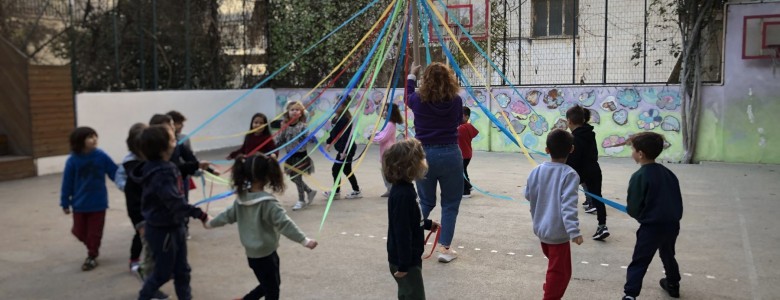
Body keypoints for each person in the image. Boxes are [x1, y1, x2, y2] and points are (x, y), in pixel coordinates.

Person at [205, 154, 318, 300]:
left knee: (270, 284)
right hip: (266, 255)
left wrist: (210, 223)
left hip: (254, 255)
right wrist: (304, 240)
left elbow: (226, 216)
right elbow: (284, 224)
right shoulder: (268, 203)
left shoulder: (241, 199)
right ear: (267, 175)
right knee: (272, 290)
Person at [131, 125, 210, 300]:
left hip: (174, 226)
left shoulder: (160, 167)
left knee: (182, 270)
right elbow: (174, 202)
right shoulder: (162, 172)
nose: (176, 140)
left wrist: (196, 165)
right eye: (172, 138)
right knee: (163, 272)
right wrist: (200, 214)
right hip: (164, 230)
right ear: (163, 147)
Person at [407, 62, 463, 263]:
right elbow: (459, 121)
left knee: (425, 202)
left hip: (424, 154)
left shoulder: (418, 100)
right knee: (450, 203)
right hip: (450, 153)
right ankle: (444, 249)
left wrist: (412, 76)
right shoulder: (456, 101)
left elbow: (408, 96)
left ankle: (414, 245)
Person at [622, 132, 683, 300]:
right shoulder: (669, 174)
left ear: (640, 154)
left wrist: (638, 214)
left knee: (640, 260)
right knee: (668, 254)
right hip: (672, 225)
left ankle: (630, 294)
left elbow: (633, 207)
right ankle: (673, 283)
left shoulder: (639, 176)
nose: (631, 153)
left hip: (651, 228)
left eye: (633, 149)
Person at [525, 129, 584, 300]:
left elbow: (528, 194)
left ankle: (550, 289)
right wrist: (574, 231)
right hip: (558, 233)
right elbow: (569, 205)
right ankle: (550, 295)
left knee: (555, 266)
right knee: (560, 273)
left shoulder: (536, 171)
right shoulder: (570, 174)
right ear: (571, 149)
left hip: (541, 229)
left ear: (546, 150)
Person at [116, 123, 170, 300]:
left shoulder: (151, 165)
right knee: (151, 256)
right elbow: (133, 204)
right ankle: (150, 289)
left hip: (157, 218)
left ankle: (152, 281)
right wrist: (140, 224)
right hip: (145, 220)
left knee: (161, 254)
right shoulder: (135, 172)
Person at [384, 139, 440, 300]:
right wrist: (404, 265)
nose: (424, 162)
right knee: (413, 296)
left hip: (407, 257)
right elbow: (402, 231)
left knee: (408, 293)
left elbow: (411, 219)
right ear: (409, 166)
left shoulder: (405, 188)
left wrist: (428, 224)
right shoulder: (403, 194)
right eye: (421, 159)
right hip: (405, 260)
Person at [60, 126, 118, 271]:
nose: (94, 140)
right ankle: (92, 244)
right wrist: (65, 202)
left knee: (94, 232)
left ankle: (92, 255)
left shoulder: (101, 156)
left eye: (95, 136)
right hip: (79, 203)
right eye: (90, 137)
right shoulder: (72, 160)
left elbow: (114, 172)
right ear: (80, 141)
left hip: (98, 203)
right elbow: (67, 182)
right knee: (79, 232)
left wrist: (127, 183)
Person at [565, 106, 609, 241]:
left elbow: (573, 158)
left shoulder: (573, 138)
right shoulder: (590, 133)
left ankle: (557, 223)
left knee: (562, 195)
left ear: (569, 121)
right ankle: (602, 226)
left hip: (578, 172)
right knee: (598, 198)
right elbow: (593, 154)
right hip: (594, 169)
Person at [273, 101, 317, 210]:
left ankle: (301, 200)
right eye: (292, 109)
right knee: (293, 178)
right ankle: (310, 191)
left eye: (297, 110)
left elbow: (308, 138)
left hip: (300, 156)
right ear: (288, 112)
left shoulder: (302, 126)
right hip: (290, 157)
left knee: (297, 178)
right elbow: (280, 139)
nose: (294, 111)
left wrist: (311, 137)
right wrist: (272, 147)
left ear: (301, 113)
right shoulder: (285, 126)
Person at [324, 98, 362, 200]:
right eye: (335, 103)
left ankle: (351, 191)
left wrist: (343, 151)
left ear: (344, 106)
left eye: (339, 104)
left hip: (346, 149)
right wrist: (329, 142)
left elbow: (345, 136)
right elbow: (334, 133)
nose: (336, 105)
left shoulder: (345, 119)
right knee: (344, 169)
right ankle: (352, 190)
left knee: (338, 169)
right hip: (343, 148)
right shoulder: (337, 118)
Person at [373, 102, 404, 197]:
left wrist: (372, 137)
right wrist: (376, 133)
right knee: (386, 170)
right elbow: (382, 134)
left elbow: (383, 138)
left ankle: (391, 189)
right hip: (386, 151)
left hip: (388, 151)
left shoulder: (390, 124)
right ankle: (390, 189)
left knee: (387, 171)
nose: (384, 112)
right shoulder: (388, 124)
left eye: (386, 110)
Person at [457, 106, 479, 199]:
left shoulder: (461, 128)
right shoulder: (469, 126)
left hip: (462, 154)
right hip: (467, 154)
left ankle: (465, 192)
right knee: (463, 170)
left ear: (466, 116)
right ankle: (469, 186)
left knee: (461, 172)